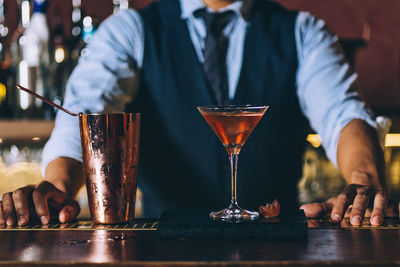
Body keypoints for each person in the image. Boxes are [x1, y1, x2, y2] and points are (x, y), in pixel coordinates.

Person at [0, 0, 396, 226]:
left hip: (278, 252)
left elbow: (343, 113)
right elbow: (86, 114)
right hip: (160, 252)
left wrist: (364, 180)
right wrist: (57, 187)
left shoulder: (302, 32)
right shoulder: (131, 31)